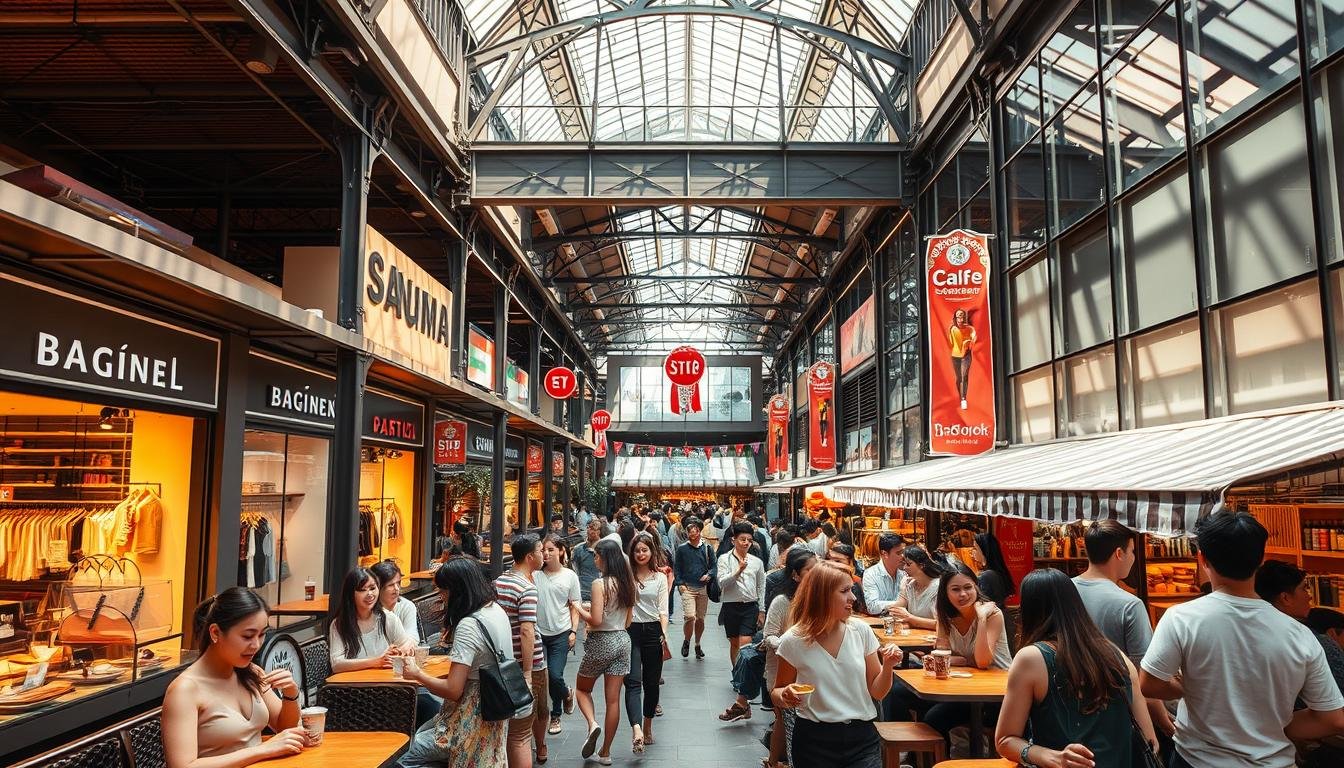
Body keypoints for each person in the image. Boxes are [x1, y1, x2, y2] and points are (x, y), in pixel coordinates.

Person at [1140, 511, 1344, 768]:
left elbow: (1149, 684)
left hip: (1195, 760)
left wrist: (1185, 688)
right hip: (1273, 762)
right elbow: (1332, 719)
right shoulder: (1300, 635)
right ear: (1261, 559)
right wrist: (1276, 724)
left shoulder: (1181, 618)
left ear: (1202, 558)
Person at [994, 569, 1158, 768]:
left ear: (1028, 610)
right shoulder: (1117, 655)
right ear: (1076, 604)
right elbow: (1150, 740)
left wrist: (1051, 757)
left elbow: (1005, 741)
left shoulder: (1031, 659)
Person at [771, 562, 902, 768]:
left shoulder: (861, 631)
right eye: (844, 591)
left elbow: (877, 692)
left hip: (862, 738)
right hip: (813, 739)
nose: (853, 598)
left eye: (851, 589)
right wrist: (785, 693)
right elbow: (776, 692)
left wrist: (888, 666)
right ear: (821, 596)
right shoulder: (793, 640)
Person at [162, 588, 305, 767]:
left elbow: (286, 730)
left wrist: (291, 693)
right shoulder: (184, 690)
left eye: (262, 634)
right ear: (215, 633)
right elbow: (182, 766)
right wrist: (263, 749)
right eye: (247, 636)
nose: (256, 645)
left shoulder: (252, 673)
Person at [400, 558, 511, 768]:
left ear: (457, 590)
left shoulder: (469, 625)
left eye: (443, 591)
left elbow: (453, 689)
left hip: (468, 720)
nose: (441, 597)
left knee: (403, 757)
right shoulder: (495, 610)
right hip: (494, 712)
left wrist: (416, 674)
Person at [1072, 519, 1175, 740]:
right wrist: (1164, 723)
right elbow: (1144, 678)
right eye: (1132, 551)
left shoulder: (1063, 591)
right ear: (1119, 553)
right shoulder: (1129, 604)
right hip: (1117, 716)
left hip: (1069, 709)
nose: (1133, 557)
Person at [572, 540, 638, 765]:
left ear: (606, 558)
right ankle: (606, 752)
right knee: (613, 701)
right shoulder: (628, 583)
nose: (595, 559)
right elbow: (628, 621)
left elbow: (597, 620)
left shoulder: (600, 584)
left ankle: (592, 724)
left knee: (581, 689)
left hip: (602, 641)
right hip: (623, 640)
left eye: (598, 556)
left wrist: (579, 608)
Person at [493, 534, 547, 768]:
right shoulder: (526, 587)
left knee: (507, 727)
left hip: (502, 660)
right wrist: (527, 671)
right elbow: (527, 631)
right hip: (526, 663)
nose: (544, 555)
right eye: (541, 550)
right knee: (521, 731)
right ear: (530, 556)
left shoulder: (500, 581)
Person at [1257, 560, 1344, 693]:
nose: (1309, 596)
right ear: (1285, 598)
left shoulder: (1252, 635)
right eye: (1304, 589)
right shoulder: (1314, 643)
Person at [623, 531, 670, 751]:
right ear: (631, 553)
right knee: (632, 681)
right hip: (629, 631)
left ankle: (648, 725)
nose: (641, 554)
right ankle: (637, 729)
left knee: (651, 683)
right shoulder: (626, 576)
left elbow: (663, 609)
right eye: (637, 550)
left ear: (652, 552)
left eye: (645, 550)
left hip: (653, 630)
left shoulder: (660, 577)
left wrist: (664, 632)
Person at [329, 566, 415, 673]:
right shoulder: (340, 624)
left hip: (385, 682)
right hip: (352, 686)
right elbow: (336, 665)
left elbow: (406, 645)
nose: (370, 594)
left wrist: (402, 651)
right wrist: (377, 662)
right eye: (362, 590)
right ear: (350, 594)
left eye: (372, 588)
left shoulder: (388, 618)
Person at [536, 534, 580, 737]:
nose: (546, 553)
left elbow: (575, 606)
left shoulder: (569, 576)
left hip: (561, 633)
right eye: (543, 550)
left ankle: (556, 713)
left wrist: (573, 631)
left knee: (555, 675)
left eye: (551, 549)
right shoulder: (535, 575)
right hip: (537, 633)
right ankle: (565, 694)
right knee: (540, 679)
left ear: (561, 551)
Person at [718, 521, 767, 666]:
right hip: (730, 606)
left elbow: (761, 586)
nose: (746, 543)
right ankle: (737, 673)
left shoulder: (757, 562)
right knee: (734, 643)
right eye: (743, 539)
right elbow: (722, 583)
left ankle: (743, 677)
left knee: (745, 642)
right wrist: (738, 571)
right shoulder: (724, 559)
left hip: (750, 606)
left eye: (750, 540)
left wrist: (762, 609)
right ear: (734, 540)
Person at [673, 517, 713, 658]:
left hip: (703, 588)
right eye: (690, 532)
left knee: (701, 618)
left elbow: (714, 567)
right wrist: (680, 584)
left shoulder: (707, 548)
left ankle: (697, 644)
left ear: (700, 532)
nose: (693, 535)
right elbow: (677, 567)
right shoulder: (682, 549)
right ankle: (686, 640)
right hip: (688, 587)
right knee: (690, 616)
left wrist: (709, 575)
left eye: (695, 532)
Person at [892, 545, 945, 631]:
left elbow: (941, 624)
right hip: (916, 638)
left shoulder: (937, 587)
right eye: (904, 564)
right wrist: (902, 589)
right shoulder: (910, 585)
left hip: (933, 639)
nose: (904, 568)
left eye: (908, 564)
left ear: (921, 565)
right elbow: (895, 612)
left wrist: (910, 618)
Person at [372, 560, 421, 641]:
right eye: (390, 585)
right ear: (377, 588)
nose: (396, 588)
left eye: (398, 583)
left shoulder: (406, 606)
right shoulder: (368, 608)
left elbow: (413, 637)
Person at [862, 533, 907, 616]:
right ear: (884, 553)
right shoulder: (871, 574)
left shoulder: (905, 572)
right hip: (882, 623)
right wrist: (901, 603)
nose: (903, 556)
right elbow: (872, 606)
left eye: (903, 552)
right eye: (898, 553)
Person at [969, 531, 1015, 608]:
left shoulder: (987, 576)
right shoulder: (996, 573)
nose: (972, 552)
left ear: (984, 551)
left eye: (975, 548)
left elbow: (983, 605)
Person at [826, 543, 867, 615]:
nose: (832, 564)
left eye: (838, 561)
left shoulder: (856, 581)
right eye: (829, 560)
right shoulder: (823, 581)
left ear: (850, 562)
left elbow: (861, 609)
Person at [949, 307, 976, 410]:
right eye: (958, 316)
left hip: (966, 355)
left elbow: (974, 338)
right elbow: (954, 342)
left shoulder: (970, 329)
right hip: (955, 356)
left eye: (962, 316)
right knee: (959, 378)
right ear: (955, 318)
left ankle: (964, 398)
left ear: (964, 317)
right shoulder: (953, 329)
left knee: (964, 376)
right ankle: (960, 397)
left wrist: (970, 341)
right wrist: (965, 342)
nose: (960, 318)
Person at [571, 519, 602, 605]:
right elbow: (574, 570)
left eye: (594, 529)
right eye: (589, 528)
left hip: (600, 593)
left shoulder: (605, 549)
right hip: (581, 593)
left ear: (599, 532)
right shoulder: (578, 549)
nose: (591, 531)